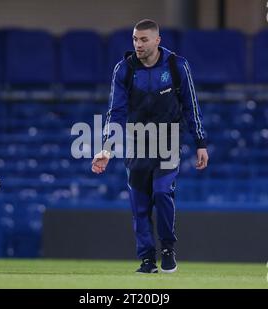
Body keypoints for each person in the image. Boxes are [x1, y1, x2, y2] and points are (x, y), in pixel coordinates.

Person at [92, 19, 208, 273]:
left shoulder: (178, 66)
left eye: (144, 39)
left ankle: (167, 249)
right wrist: (107, 148)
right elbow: (116, 112)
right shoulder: (124, 69)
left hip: (168, 140)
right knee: (139, 204)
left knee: (162, 192)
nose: (138, 44)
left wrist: (200, 142)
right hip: (135, 142)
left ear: (158, 40)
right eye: (135, 39)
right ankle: (147, 259)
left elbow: (191, 106)